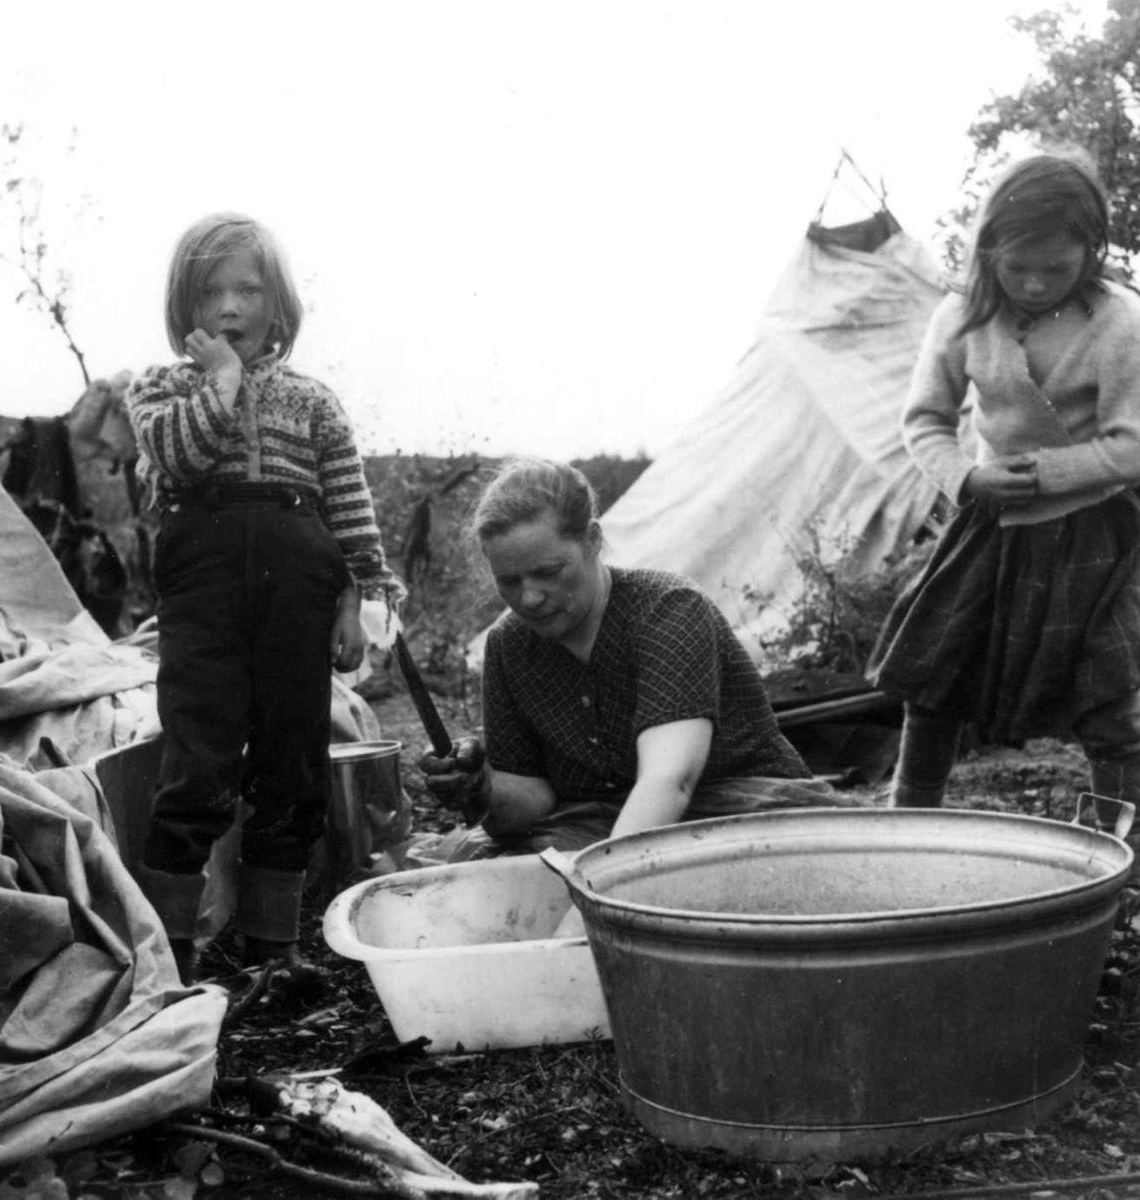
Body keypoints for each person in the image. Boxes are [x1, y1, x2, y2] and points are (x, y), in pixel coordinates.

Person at [127, 212, 403, 983]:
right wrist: (222, 379)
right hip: (204, 592)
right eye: (210, 290)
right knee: (198, 758)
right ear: (186, 309)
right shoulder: (160, 393)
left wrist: (355, 595)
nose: (230, 306)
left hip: (296, 591)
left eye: (248, 288)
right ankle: (174, 956)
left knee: (293, 761)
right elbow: (185, 454)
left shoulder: (313, 402)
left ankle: (273, 952)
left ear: (278, 304)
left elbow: (347, 507)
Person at [869, 150, 1140, 824]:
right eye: (1017, 268)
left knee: (1112, 692)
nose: (1036, 284)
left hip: (1095, 530)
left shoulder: (1119, 321)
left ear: (1091, 249)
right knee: (934, 675)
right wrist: (969, 477)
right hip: (992, 525)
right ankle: (910, 817)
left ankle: (1117, 845)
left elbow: (1133, 442)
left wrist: (1047, 475)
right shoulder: (961, 318)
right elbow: (926, 420)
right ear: (988, 251)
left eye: (1057, 268)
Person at [419, 458, 839, 862]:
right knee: (484, 879)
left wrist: (592, 899)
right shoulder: (509, 646)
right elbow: (534, 799)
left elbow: (669, 781)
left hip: (747, 814)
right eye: (509, 581)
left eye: (549, 571)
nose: (529, 597)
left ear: (592, 540)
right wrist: (481, 786)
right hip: (611, 825)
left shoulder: (669, 610)